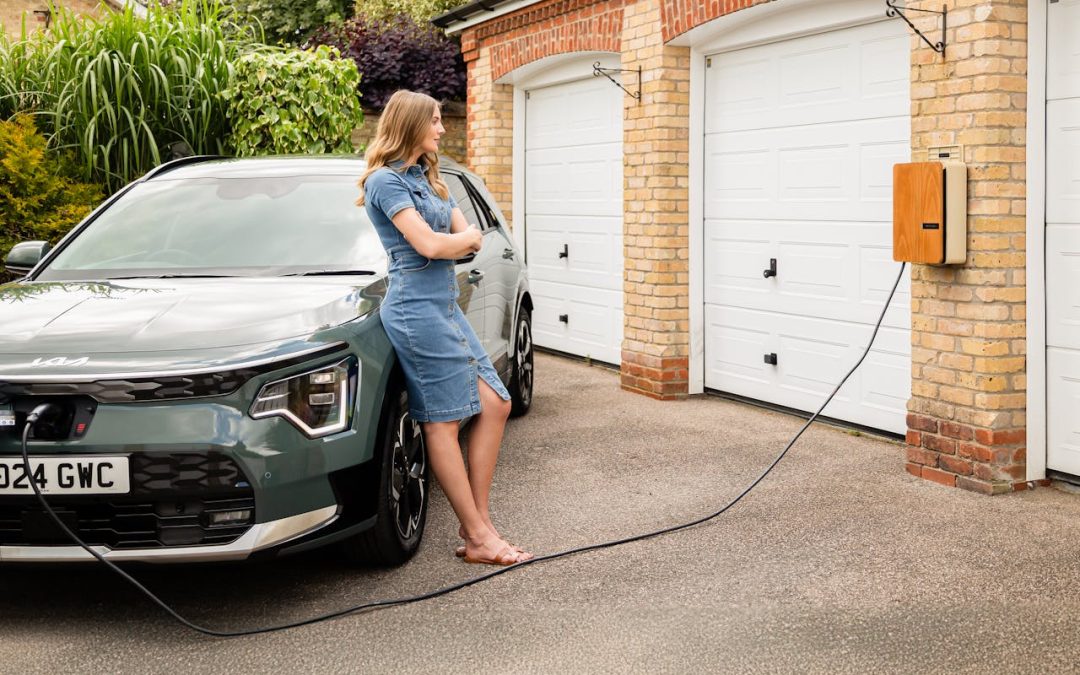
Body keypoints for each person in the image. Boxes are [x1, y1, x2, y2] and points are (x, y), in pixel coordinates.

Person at [357, 90, 532, 566]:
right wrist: (457, 240)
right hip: (415, 308)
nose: (441, 128)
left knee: (496, 402)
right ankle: (479, 536)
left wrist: (457, 240)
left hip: (445, 304)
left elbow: (467, 236)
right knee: (443, 420)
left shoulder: (429, 181)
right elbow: (432, 244)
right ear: (411, 124)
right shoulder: (384, 182)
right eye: (434, 121)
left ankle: (479, 524)